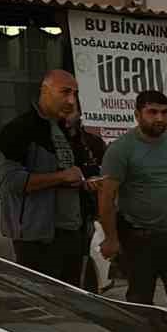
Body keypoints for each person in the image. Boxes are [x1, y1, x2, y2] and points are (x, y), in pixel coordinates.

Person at [99, 90, 167, 308]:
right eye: (152, 112)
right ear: (137, 114)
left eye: (164, 112)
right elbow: (106, 196)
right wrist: (111, 238)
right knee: (140, 304)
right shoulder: (120, 149)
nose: (159, 118)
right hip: (138, 241)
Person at [0, 70, 88, 286]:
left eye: (75, 94)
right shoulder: (19, 130)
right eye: (65, 92)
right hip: (37, 239)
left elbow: (72, 172)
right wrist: (61, 177)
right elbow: (12, 182)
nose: (71, 100)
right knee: (46, 304)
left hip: (71, 233)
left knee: (72, 303)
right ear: (45, 92)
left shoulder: (65, 129)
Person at [65, 95, 108, 286]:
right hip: (56, 222)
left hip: (87, 220)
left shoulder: (92, 144)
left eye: (70, 110)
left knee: (85, 276)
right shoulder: (48, 143)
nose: (66, 116)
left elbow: (107, 179)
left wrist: (94, 183)